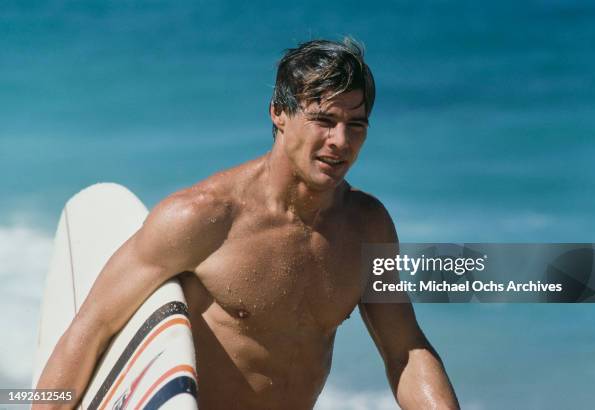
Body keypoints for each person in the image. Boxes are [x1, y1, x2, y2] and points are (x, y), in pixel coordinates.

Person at [35, 38, 459, 410]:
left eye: (356, 125)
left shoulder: (369, 227)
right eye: (324, 120)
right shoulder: (203, 218)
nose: (341, 142)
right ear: (279, 112)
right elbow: (91, 329)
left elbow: (404, 350)